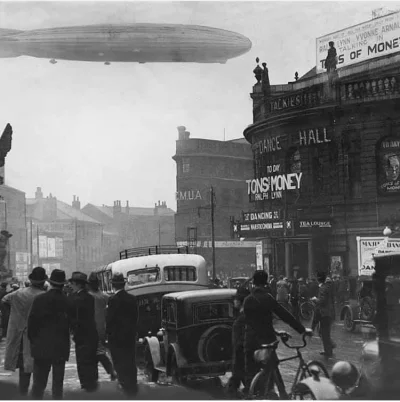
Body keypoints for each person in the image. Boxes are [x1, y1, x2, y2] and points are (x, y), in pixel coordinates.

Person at [243, 271, 312, 395]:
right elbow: (285, 316)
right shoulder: (268, 298)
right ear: (265, 282)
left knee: (251, 374)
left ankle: (252, 393)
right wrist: (301, 329)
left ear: (254, 282)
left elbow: (252, 322)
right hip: (266, 341)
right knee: (273, 367)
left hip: (250, 341)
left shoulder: (247, 300)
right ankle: (283, 395)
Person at [1, 267, 47, 396]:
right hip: (38, 336)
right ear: (43, 282)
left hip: (20, 334)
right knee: (39, 367)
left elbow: (4, 301)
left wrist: (12, 316)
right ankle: (37, 395)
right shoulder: (43, 296)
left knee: (24, 367)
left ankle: (23, 393)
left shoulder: (17, 294)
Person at [28, 269, 71, 399]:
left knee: (39, 383)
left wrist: (33, 341)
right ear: (63, 284)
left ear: (50, 282)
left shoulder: (39, 299)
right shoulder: (68, 301)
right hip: (61, 346)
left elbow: (32, 323)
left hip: (41, 346)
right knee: (58, 384)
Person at [106, 273, 139, 396]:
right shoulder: (132, 299)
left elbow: (110, 319)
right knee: (130, 360)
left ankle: (124, 384)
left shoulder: (112, 300)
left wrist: (108, 334)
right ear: (124, 284)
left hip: (116, 337)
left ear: (113, 285)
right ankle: (133, 385)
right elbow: (136, 317)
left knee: (119, 361)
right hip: (129, 335)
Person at [69, 271, 98, 392]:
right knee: (91, 360)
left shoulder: (75, 298)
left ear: (77, 284)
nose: (70, 285)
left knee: (82, 361)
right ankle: (92, 383)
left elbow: (74, 318)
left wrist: (73, 330)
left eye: (72, 283)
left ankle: (85, 384)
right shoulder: (90, 297)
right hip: (91, 333)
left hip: (81, 334)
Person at [87, 272, 117, 381]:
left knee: (95, 353)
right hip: (102, 328)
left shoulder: (87, 297)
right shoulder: (105, 297)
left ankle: (108, 372)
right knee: (100, 350)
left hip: (90, 328)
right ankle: (110, 371)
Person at [226, 286, 249, 398]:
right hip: (241, 353)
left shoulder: (242, 317)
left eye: (236, 299)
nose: (234, 301)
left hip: (241, 352)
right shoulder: (243, 314)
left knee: (237, 379)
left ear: (240, 301)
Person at [311, 272, 336, 357]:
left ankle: (328, 352)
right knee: (323, 332)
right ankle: (329, 347)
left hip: (324, 313)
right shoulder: (327, 287)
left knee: (324, 333)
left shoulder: (322, 288)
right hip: (328, 312)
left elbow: (322, 301)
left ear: (318, 279)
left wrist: (315, 300)